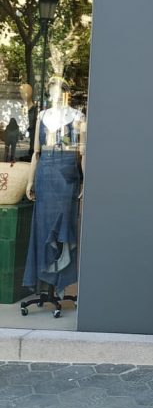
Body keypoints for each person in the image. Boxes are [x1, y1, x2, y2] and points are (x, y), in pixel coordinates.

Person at [24, 77, 85, 294]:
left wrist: (83, 180)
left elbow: (82, 152)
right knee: (43, 227)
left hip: (66, 174)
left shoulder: (78, 117)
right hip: (45, 175)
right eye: (50, 91)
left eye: (56, 90)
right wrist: (30, 180)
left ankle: (60, 280)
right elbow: (36, 153)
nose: (52, 95)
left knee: (62, 227)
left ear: (65, 92)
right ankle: (47, 283)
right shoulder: (42, 116)